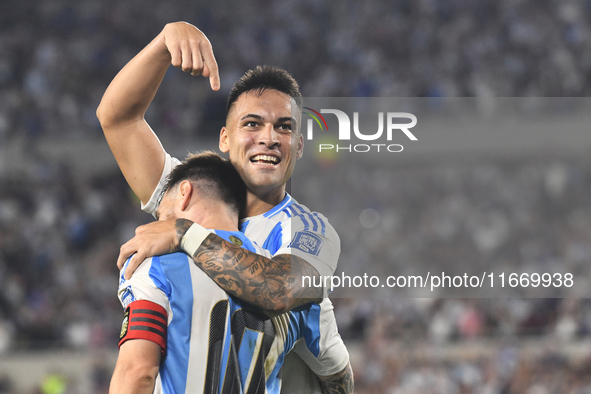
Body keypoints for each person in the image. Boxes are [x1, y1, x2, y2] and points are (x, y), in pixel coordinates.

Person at [97, 21, 352, 393]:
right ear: (225, 138)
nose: (268, 138)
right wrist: (163, 43)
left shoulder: (309, 231)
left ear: (298, 145)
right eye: (253, 124)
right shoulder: (193, 187)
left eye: (284, 127)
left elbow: (276, 290)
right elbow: (118, 119)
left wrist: (184, 232)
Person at [110, 152, 351, 394]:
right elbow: (339, 377)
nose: (159, 224)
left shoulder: (156, 264)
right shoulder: (294, 286)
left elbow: (137, 373)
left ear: (184, 193)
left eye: (162, 215)